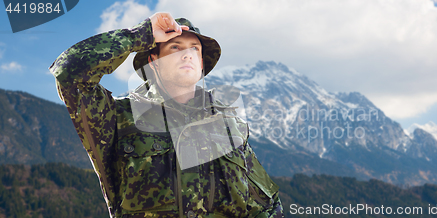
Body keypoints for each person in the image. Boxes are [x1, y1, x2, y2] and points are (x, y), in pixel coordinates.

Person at [50, 12, 283, 218]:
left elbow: (267, 205)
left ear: (201, 63)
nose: (187, 54)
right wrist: (140, 35)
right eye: (175, 47)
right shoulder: (117, 117)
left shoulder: (229, 125)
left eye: (194, 49)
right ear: (154, 62)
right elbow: (68, 72)